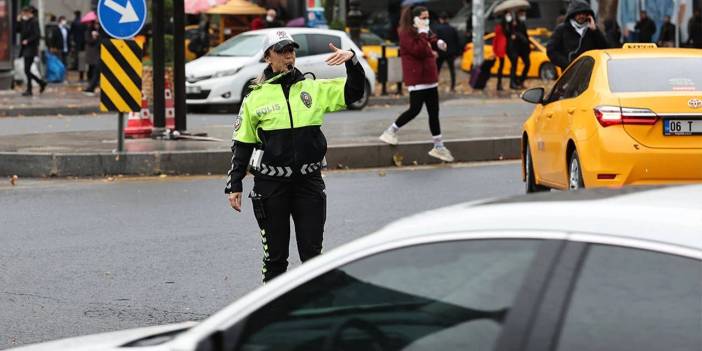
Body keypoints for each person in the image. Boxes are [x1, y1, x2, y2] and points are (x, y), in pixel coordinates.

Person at [224, 30, 365, 282]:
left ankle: (312, 312)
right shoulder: (254, 98)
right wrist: (234, 184)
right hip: (271, 186)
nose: (289, 56)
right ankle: (272, 314)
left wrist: (352, 61)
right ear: (268, 57)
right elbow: (242, 142)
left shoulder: (312, 88)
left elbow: (352, 93)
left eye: (292, 50)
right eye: (282, 51)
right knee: (276, 259)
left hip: (308, 183)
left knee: (313, 256)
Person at [378, 6, 454, 162]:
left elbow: (430, 37)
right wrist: (423, 34)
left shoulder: (423, 29)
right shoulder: (405, 33)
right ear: (415, 19)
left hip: (429, 77)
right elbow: (418, 50)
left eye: (427, 17)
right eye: (423, 17)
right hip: (417, 77)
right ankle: (390, 131)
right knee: (415, 109)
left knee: (434, 112)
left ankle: (438, 146)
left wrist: (438, 42)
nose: (426, 20)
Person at [547, 0, 608, 70]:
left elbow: (605, 48)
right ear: (573, 14)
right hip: (569, 73)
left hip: (590, 71)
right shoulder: (562, 29)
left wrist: (595, 31)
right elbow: (551, 50)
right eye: (578, 14)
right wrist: (567, 64)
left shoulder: (592, 29)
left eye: (584, 13)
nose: (581, 16)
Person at [17, 6, 46, 96]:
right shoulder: (25, 21)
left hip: (31, 48)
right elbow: (18, 30)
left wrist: (28, 40)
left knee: (27, 69)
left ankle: (32, 88)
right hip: (25, 48)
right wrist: (18, 21)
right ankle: (39, 84)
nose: (23, 15)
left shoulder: (34, 21)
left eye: (24, 13)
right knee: (27, 70)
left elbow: (37, 35)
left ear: (29, 13)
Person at [433, 12, 460, 92]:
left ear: (440, 19)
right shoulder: (452, 29)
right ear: (447, 19)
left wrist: (435, 51)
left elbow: (435, 41)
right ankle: (452, 86)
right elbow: (457, 41)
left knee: (437, 70)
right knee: (452, 70)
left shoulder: (437, 29)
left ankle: (435, 86)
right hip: (450, 53)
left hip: (440, 53)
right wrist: (457, 52)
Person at [505, 10, 530, 89]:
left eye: (524, 14)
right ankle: (512, 83)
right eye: (522, 14)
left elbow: (525, 35)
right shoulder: (511, 22)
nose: (523, 15)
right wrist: (511, 24)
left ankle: (520, 80)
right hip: (514, 48)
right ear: (518, 14)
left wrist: (528, 44)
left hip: (522, 48)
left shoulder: (522, 23)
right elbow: (508, 32)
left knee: (527, 63)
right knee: (514, 64)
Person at [83, 21, 100, 95]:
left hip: (97, 53)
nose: (97, 25)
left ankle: (91, 87)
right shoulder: (89, 31)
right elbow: (88, 40)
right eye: (96, 24)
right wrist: (94, 37)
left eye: (98, 24)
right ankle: (91, 86)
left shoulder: (100, 32)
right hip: (91, 53)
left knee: (96, 70)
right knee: (92, 69)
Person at [493, 14, 508, 91]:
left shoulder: (500, 28)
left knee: (501, 67)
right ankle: (499, 84)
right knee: (501, 67)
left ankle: (499, 84)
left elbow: (495, 39)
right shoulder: (502, 28)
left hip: (501, 49)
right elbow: (496, 39)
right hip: (501, 50)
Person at [70, 11, 86, 79]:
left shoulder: (74, 22)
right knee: (82, 58)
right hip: (83, 43)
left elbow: (71, 32)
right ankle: (81, 73)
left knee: (76, 56)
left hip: (76, 42)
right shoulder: (83, 22)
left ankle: (76, 67)